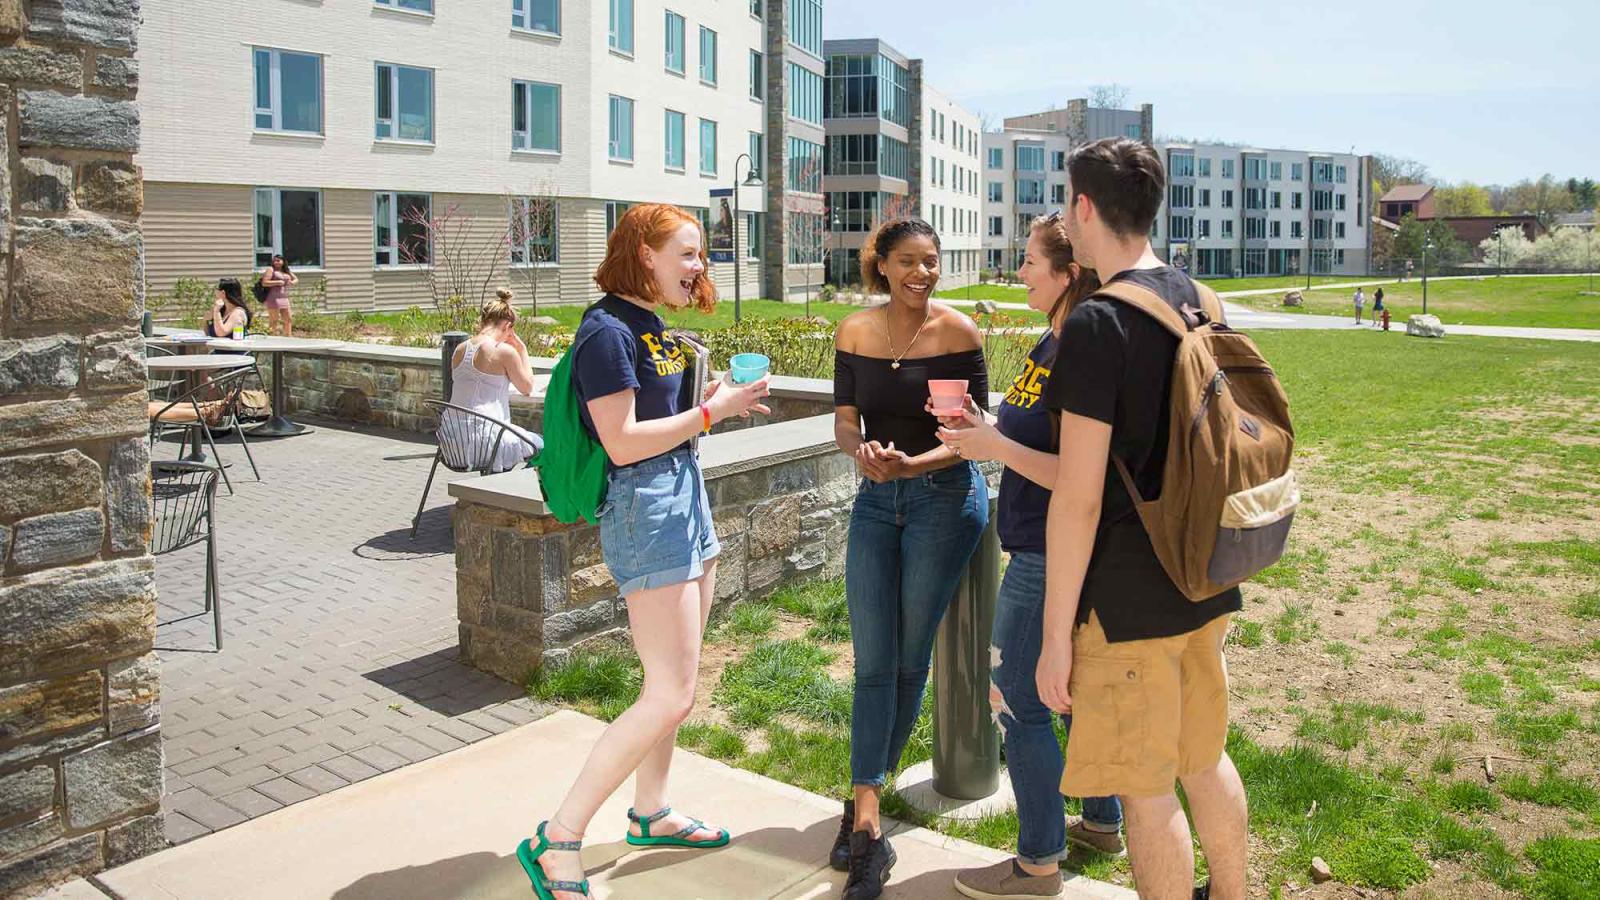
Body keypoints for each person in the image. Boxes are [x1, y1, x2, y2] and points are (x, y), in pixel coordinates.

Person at [518, 204, 770, 900]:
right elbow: (624, 442)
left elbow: (662, 422)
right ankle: (558, 838)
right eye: (688, 253)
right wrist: (716, 412)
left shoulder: (649, 325)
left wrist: (717, 398)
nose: (700, 266)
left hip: (682, 495)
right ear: (645, 254)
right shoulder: (606, 333)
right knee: (668, 692)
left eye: (700, 255)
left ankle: (651, 811)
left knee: (676, 691)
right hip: (645, 505)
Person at [1039, 138, 1248, 900]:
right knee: (1204, 761)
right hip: (1205, 574)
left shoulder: (1100, 322)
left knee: (1146, 790)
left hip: (1127, 600)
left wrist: (1054, 634)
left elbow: (1080, 495)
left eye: (1069, 203)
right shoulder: (1199, 298)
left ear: (1084, 209)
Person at [937, 214, 1124, 900]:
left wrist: (996, 448)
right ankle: (1102, 820)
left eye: (1029, 262)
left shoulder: (1079, 347)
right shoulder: (1054, 342)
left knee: (1017, 698)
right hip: (1042, 546)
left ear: (1068, 273)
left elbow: (1080, 476)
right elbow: (1034, 433)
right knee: (1063, 690)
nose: (1019, 272)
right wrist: (982, 429)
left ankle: (1038, 862)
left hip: (1051, 553)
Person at [830, 217, 990, 900]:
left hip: (943, 499)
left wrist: (911, 462)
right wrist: (862, 453)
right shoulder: (855, 332)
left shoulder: (960, 334)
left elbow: (971, 435)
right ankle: (868, 811)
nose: (922, 273)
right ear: (883, 266)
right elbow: (844, 416)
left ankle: (863, 809)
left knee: (907, 655)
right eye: (908, 262)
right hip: (876, 501)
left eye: (931, 261)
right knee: (873, 659)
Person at [441, 289, 542, 472]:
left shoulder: (460, 349)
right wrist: (522, 349)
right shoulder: (503, 351)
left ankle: (496, 488)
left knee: (507, 438)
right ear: (508, 327)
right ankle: (510, 492)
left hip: (452, 442)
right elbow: (527, 387)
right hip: (485, 441)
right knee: (542, 446)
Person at [261, 255, 299, 336]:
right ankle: (271, 339)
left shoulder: (286, 270)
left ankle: (288, 337)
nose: (276, 262)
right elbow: (264, 282)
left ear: (283, 261)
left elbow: (296, 279)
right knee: (274, 320)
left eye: (278, 260)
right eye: (274, 261)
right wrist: (277, 282)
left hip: (284, 298)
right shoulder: (271, 270)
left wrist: (292, 282)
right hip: (273, 298)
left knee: (288, 319)